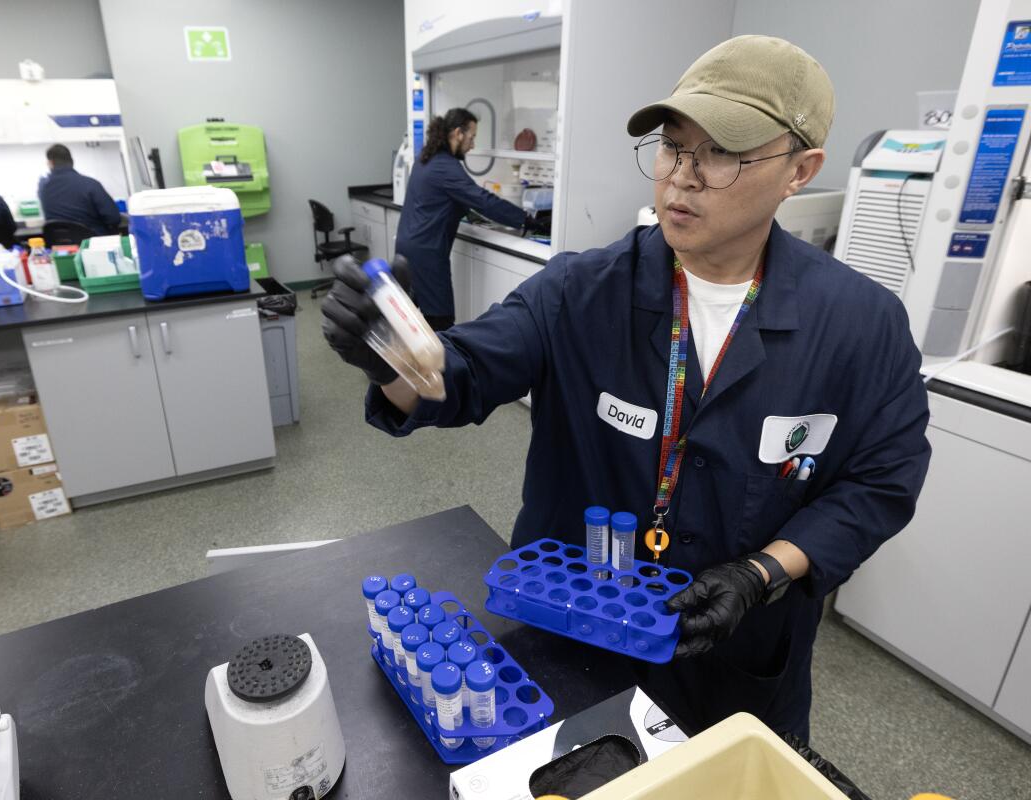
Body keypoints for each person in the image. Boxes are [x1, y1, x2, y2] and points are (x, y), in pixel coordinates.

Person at [322, 36, 931, 740]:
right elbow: (459, 375)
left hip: (735, 659)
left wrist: (762, 574)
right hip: (577, 642)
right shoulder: (582, 290)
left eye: (723, 154)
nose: (682, 178)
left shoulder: (859, 323)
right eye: (673, 147)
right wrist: (392, 360)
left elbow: (882, 480)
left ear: (801, 170)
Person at [395, 108, 539, 331]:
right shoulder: (446, 166)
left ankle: (409, 365)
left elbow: (451, 200)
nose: (472, 145)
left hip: (408, 247)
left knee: (409, 322)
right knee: (441, 322)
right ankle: (440, 365)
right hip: (427, 255)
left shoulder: (428, 157)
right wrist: (526, 219)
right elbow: (482, 199)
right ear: (458, 133)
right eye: (471, 137)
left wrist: (473, 215)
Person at [37, 144, 121, 235]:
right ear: (72, 162)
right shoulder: (91, 184)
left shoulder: (43, 187)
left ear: (50, 163)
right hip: (94, 244)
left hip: (60, 245)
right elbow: (114, 218)